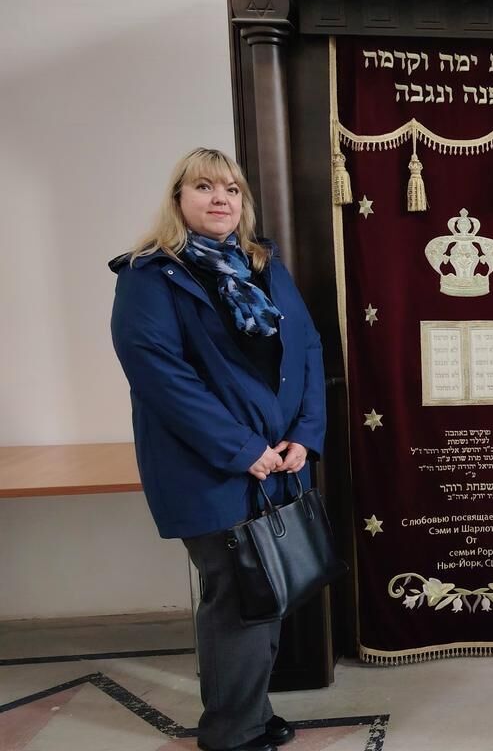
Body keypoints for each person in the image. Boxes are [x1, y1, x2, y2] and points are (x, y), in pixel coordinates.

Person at [110, 148, 326, 751]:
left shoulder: (262, 266)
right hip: (208, 466)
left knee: (266, 589)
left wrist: (306, 434)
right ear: (178, 198)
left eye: (231, 188)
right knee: (236, 594)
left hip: (279, 461)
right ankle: (233, 732)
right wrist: (241, 449)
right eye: (204, 186)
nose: (221, 198)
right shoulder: (148, 275)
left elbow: (307, 349)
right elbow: (161, 376)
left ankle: (248, 711)